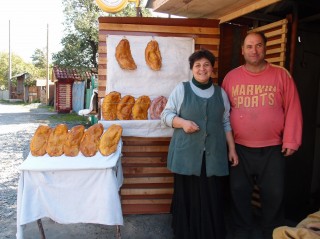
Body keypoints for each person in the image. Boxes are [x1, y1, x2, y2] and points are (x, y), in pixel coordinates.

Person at [221, 32, 303, 239]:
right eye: (249, 46)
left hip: (273, 148)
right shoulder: (231, 77)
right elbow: (221, 113)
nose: (254, 50)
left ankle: (273, 234)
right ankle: (241, 233)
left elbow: (293, 107)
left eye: (258, 46)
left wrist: (292, 139)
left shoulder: (281, 75)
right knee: (239, 194)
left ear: (265, 48)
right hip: (239, 148)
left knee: (274, 195)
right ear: (242, 50)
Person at [161, 49, 239, 239]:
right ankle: (186, 233)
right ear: (192, 69)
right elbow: (166, 115)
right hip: (186, 154)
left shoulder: (221, 93)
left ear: (212, 68)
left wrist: (232, 149)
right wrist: (183, 123)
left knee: (211, 195)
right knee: (187, 194)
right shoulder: (182, 89)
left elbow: (226, 122)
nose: (202, 69)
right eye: (197, 65)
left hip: (213, 154)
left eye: (206, 65)